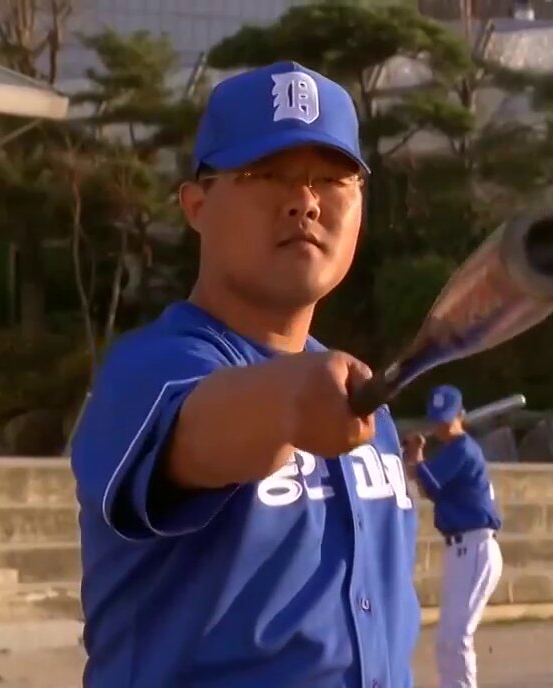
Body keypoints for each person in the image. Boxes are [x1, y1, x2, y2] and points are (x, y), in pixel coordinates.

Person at [69, 61, 419, 688]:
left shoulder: (362, 401)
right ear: (196, 205)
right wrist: (287, 403)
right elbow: (202, 432)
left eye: (331, 178)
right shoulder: (147, 372)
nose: (305, 201)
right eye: (267, 175)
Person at [404, 385, 503, 688]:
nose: (442, 426)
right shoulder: (454, 451)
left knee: (457, 637)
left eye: (447, 419)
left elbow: (427, 481)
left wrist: (416, 456)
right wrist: (415, 457)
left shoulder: (463, 449)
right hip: (461, 550)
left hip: (475, 547)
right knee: (448, 638)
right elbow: (427, 487)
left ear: (460, 415)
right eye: (437, 420)